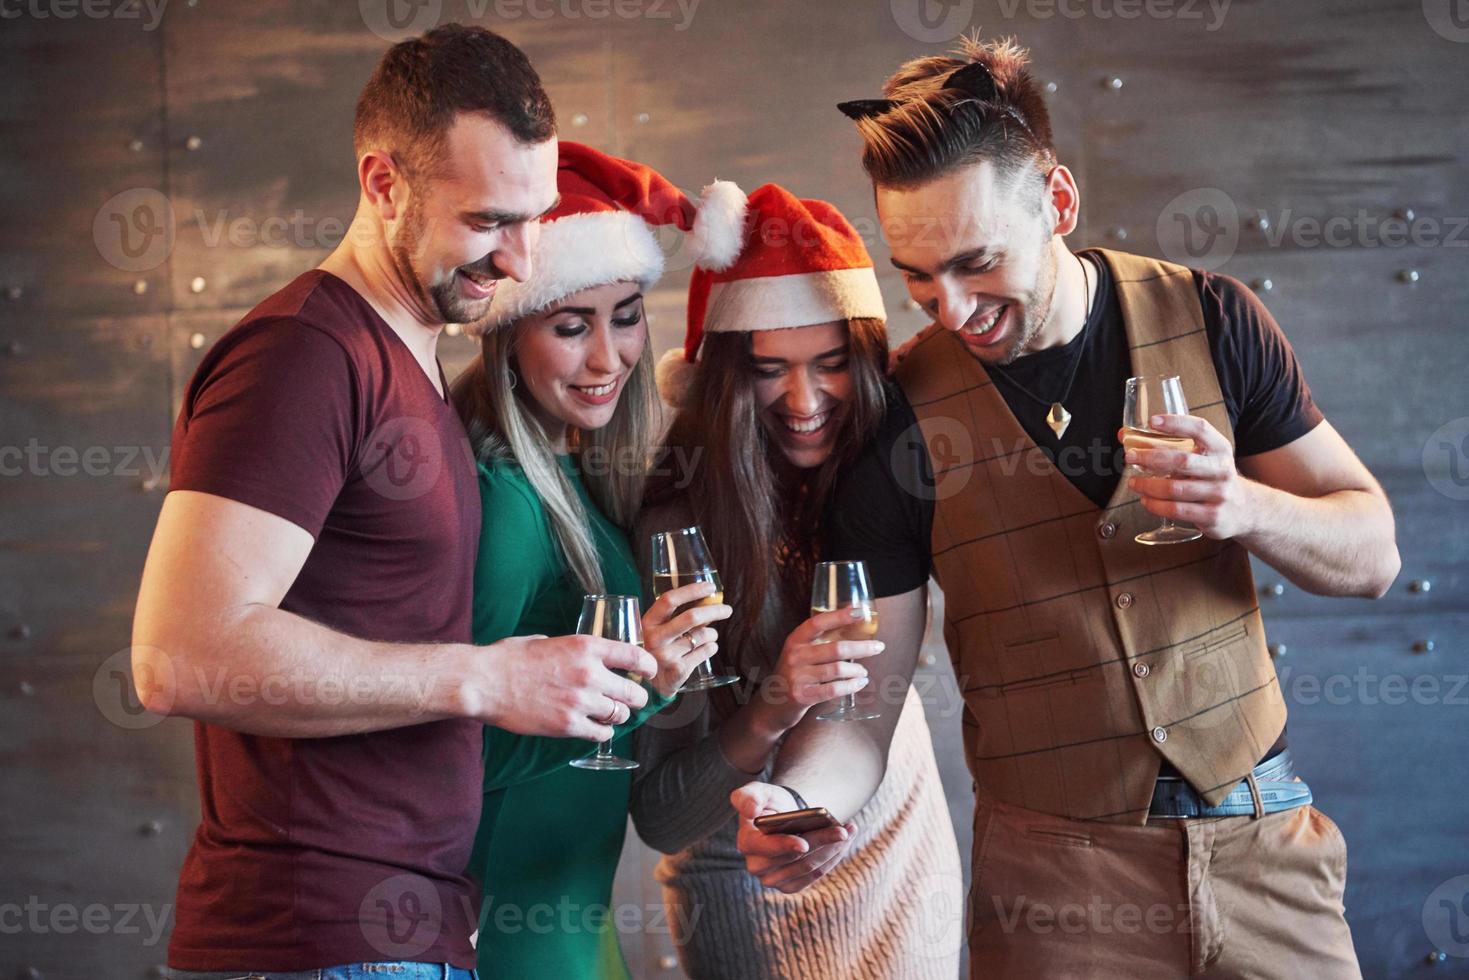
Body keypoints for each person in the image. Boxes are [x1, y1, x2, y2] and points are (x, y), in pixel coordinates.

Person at [738, 37, 1401, 978]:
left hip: (1267, 850)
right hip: (1052, 892)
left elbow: (1371, 552)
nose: (952, 308)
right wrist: (799, 803)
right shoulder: (894, 423)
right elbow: (862, 711)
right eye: (918, 275)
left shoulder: (1214, 319)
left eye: (975, 262)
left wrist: (1245, 506)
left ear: (1055, 201)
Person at [134, 27, 660, 980]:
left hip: (403, 935)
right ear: (383, 184)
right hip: (317, 938)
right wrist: (485, 679)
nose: (518, 259)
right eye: (490, 220)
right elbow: (177, 657)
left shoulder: (407, 358)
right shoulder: (302, 356)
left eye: (535, 218)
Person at [633, 183, 963, 979]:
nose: (805, 401)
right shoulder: (675, 528)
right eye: (769, 371)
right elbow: (664, 814)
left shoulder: (886, 468)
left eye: (829, 364)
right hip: (749, 868)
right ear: (720, 380)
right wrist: (777, 701)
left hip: (896, 837)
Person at [451, 142, 741, 980]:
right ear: (507, 333)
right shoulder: (505, 497)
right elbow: (445, 754)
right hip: (508, 924)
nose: (610, 357)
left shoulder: (572, 468)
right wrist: (644, 688)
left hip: (574, 909)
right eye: (570, 325)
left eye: (625, 315)